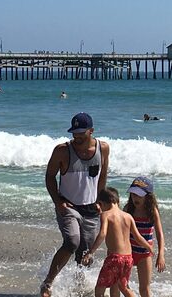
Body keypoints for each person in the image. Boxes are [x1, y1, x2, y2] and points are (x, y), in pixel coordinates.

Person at [40, 112, 110, 297]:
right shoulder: (62, 150)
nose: (77, 136)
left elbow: (103, 176)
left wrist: (100, 202)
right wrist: (58, 201)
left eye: (81, 133)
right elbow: (49, 177)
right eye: (74, 133)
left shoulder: (103, 148)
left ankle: (79, 288)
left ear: (91, 131)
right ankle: (48, 283)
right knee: (72, 242)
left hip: (91, 208)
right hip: (68, 206)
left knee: (85, 254)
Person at [84, 187, 151, 297]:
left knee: (99, 288)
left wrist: (91, 252)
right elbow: (138, 237)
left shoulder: (106, 215)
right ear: (117, 201)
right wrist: (149, 247)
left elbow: (102, 234)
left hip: (115, 258)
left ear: (102, 203)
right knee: (122, 287)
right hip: (128, 258)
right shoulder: (128, 216)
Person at [111, 176, 166, 297]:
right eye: (133, 194)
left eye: (139, 195)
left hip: (144, 254)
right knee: (122, 284)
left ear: (148, 196)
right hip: (128, 253)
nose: (135, 198)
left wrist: (161, 254)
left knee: (144, 289)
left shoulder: (152, 211)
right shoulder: (128, 209)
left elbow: (159, 233)